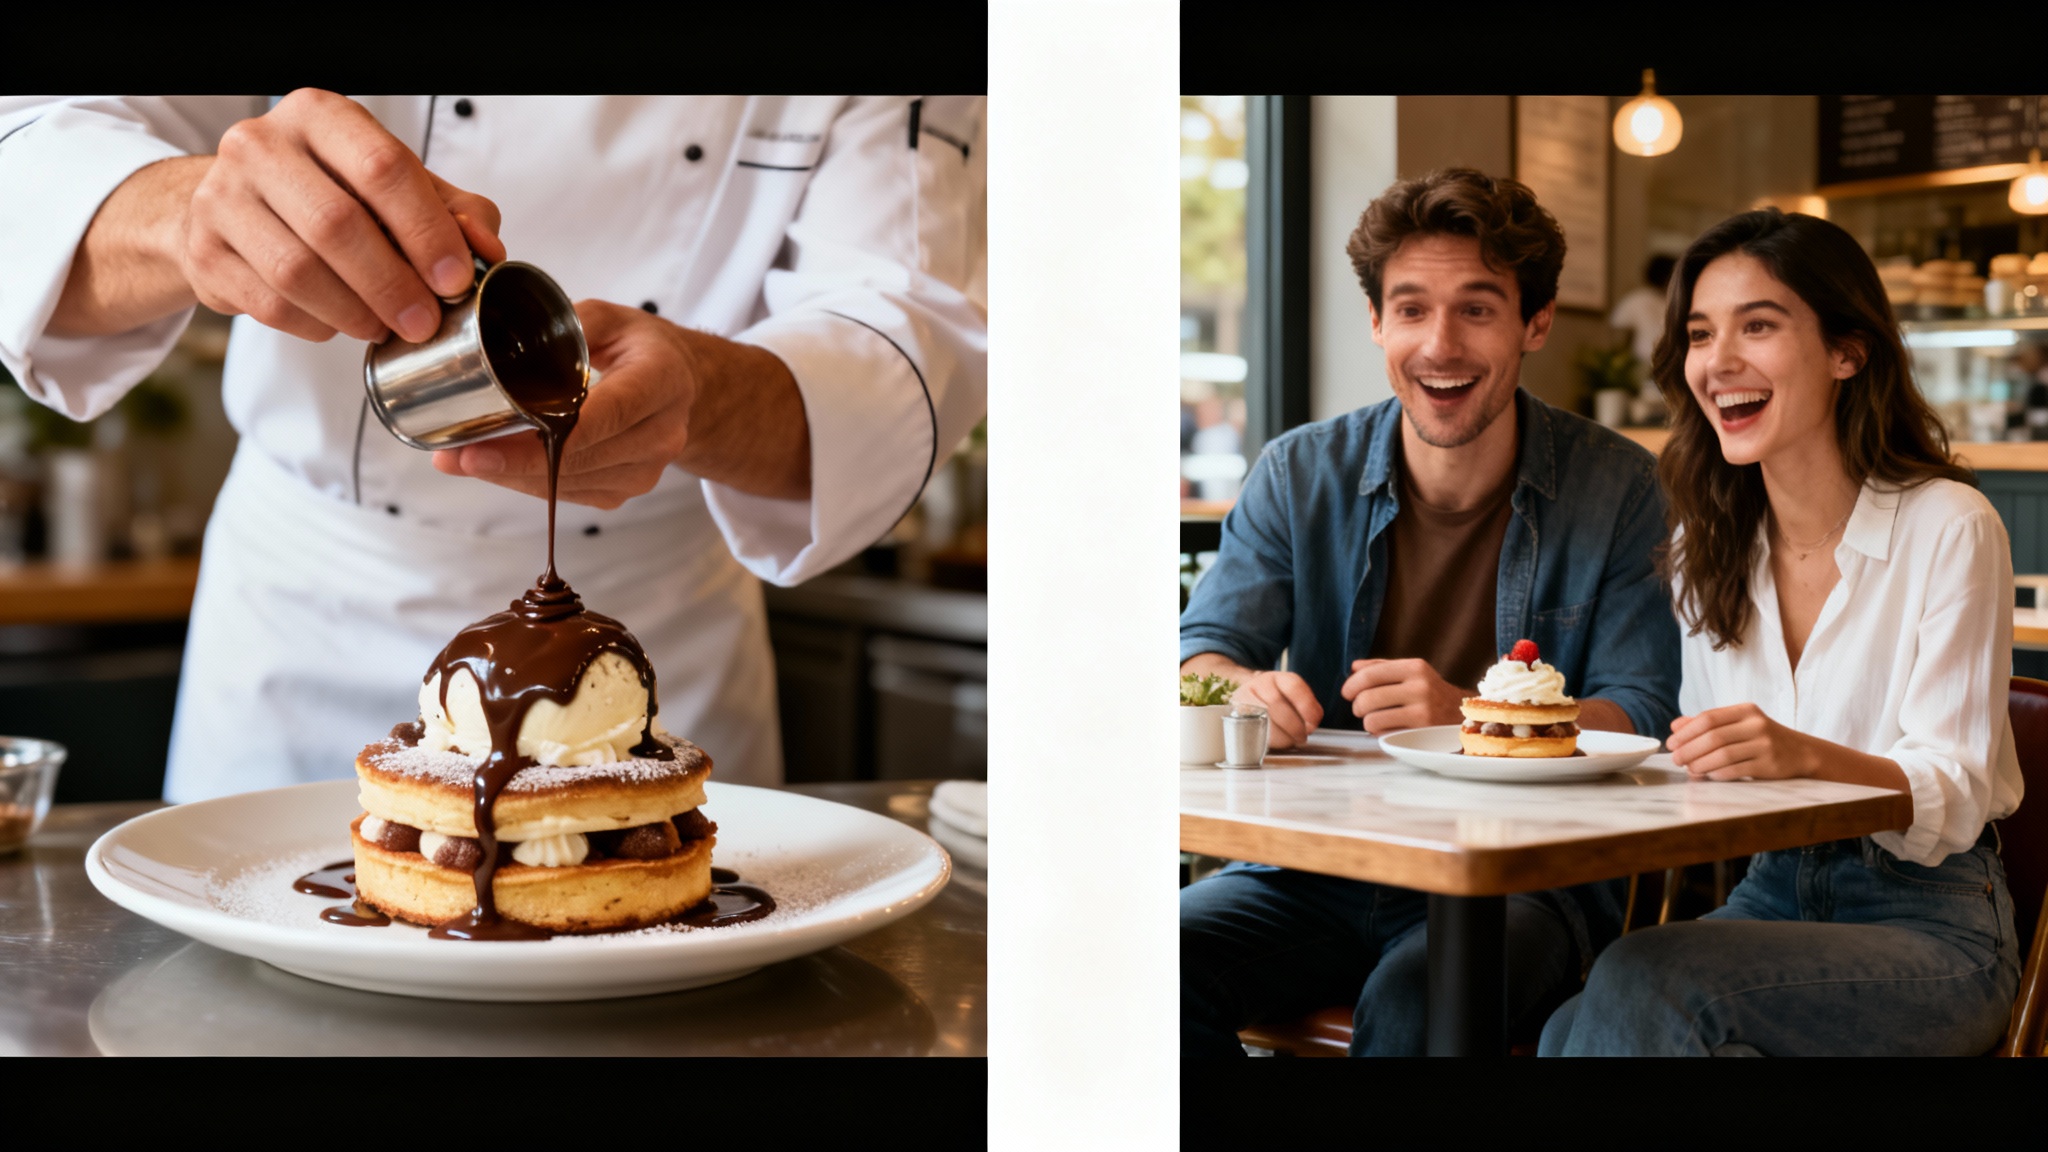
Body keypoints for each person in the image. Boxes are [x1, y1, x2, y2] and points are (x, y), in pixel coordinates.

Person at [0, 93, 986, 798]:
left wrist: (707, 398)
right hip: (301, 637)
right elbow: (29, 149)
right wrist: (194, 212)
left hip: (661, 641)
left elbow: (902, 334)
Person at [1177, 168, 1681, 1056]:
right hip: (1317, 864)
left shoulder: (1622, 487)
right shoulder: (1299, 474)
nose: (1439, 344)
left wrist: (1476, 719)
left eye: (1478, 309)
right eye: (1411, 309)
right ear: (1377, 323)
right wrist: (1246, 691)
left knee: (1421, 1007)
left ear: (1536, 322)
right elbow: (1204, 656)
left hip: (1524, 879)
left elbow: (1642, 712)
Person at [1539, 209, 2024, 1057]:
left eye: (1757, 325)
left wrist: (1806, 755)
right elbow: (1707, 767)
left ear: (1847, 351)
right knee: (1570, 1026)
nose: (1718, 362)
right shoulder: (1705, 544)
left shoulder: (1951, 525)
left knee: (1645, 983)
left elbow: (1957, 786)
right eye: (1699, 333)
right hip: (1770, 894)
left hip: (1932, 925)